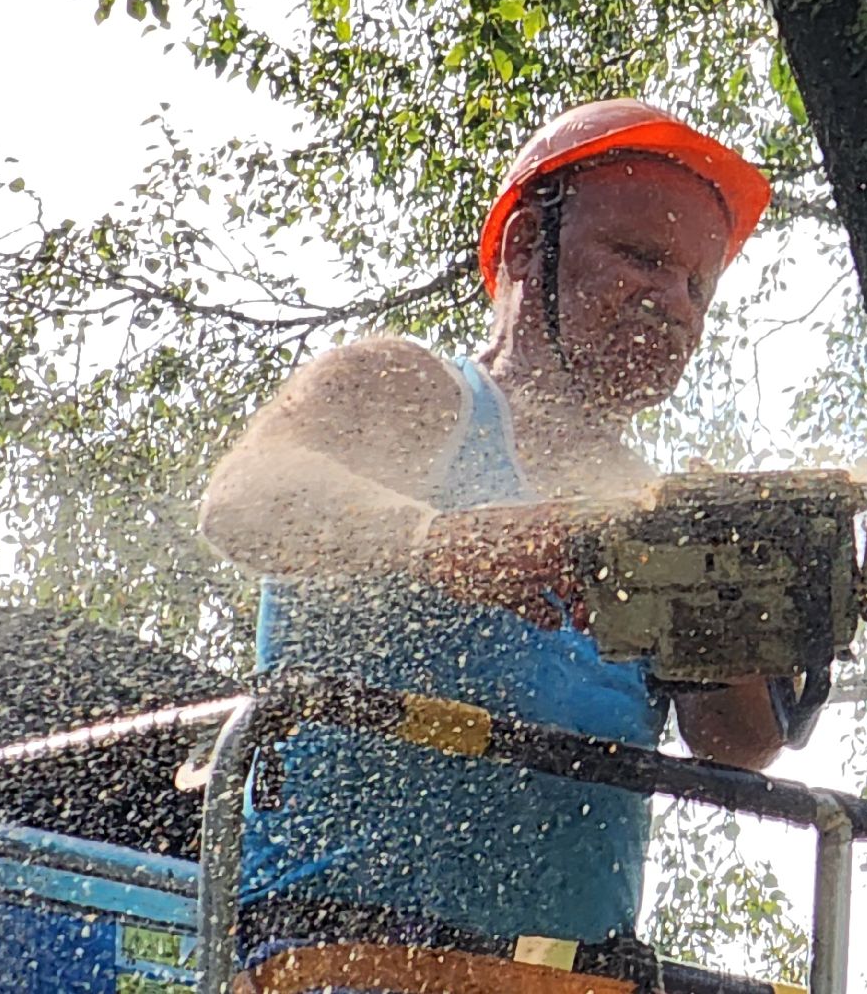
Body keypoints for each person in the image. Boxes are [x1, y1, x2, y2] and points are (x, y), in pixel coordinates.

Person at [200, 98, 806, 993]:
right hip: (353, 959)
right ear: (527, 247)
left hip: (577, 977)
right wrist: (437, 542)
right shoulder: (417, 396)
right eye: (641, 258)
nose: (674, 305)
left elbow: (737, 745)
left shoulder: (647, 507)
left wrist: (722, 596)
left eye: (697, 287)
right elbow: (244, 500)